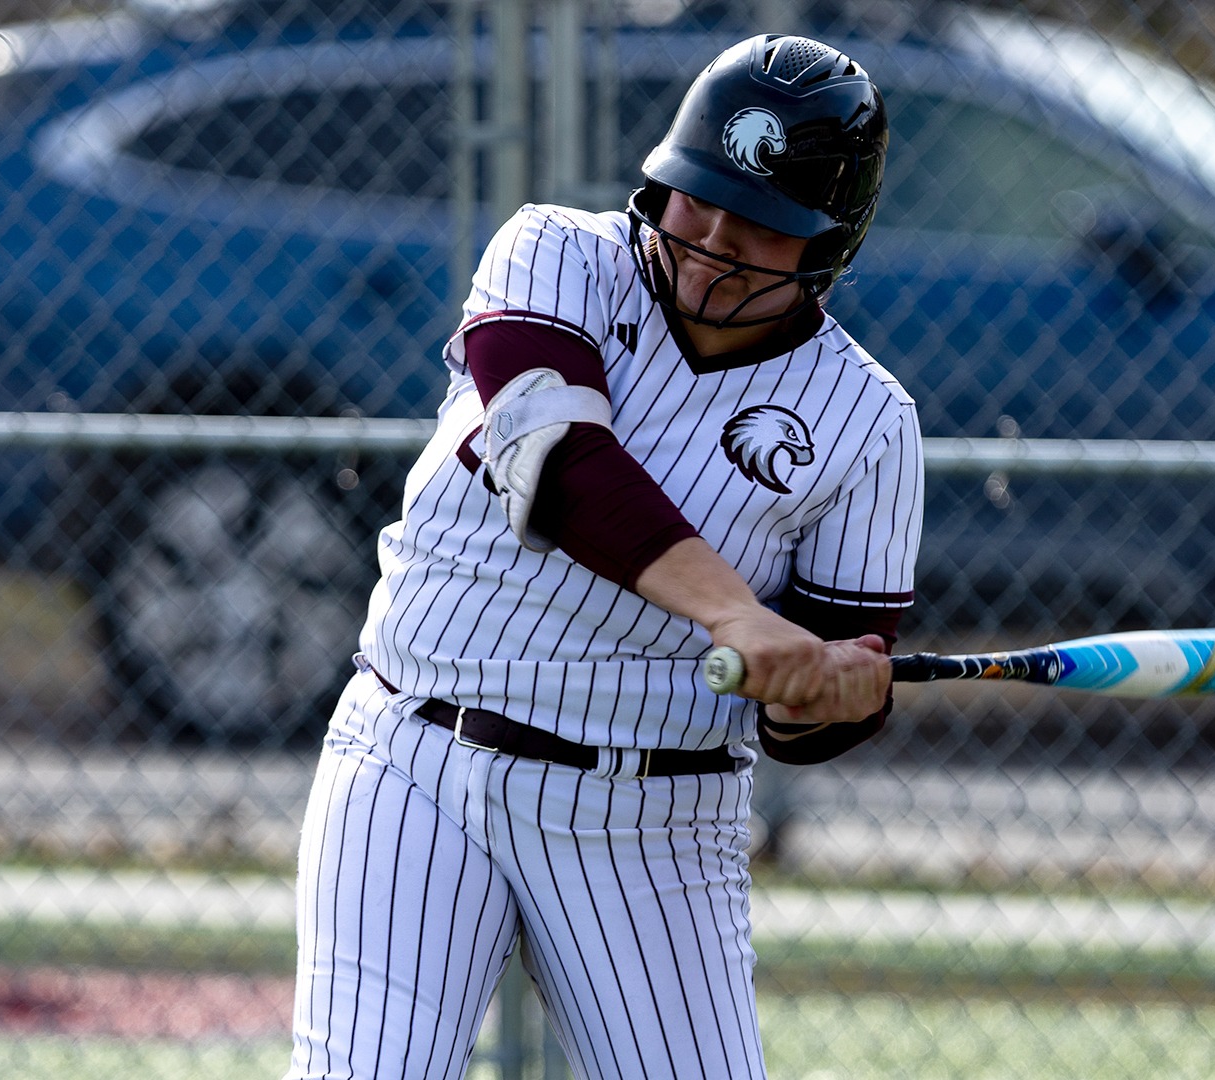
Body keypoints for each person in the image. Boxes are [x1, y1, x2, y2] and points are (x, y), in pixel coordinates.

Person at [286, 32, 921, 1079]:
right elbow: (558, 460)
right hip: (417, 757)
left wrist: (827, 699)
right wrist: (736, 614)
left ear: (827, 246)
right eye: (694, 196)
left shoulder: (868, 421)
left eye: (762, 225)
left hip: (653, 822)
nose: (714, 237)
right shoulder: (555, 255)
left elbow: (813, 687)